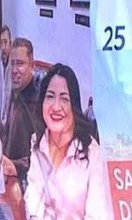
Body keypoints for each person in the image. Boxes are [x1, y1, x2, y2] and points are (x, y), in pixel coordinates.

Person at [25, 64, 108, 220]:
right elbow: (33, 201)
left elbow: (98, 214)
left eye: (64, 99)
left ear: (74, 106)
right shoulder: (38, 143)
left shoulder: (92, 153)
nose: (56, 107)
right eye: (50, 96)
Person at [0, 37, 42, 186]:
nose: (14, 70)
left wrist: (16, 167)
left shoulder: (37, 102)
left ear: (32, 66)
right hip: (6, 172)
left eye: (20, 64)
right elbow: (14, 133)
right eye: (12, 64)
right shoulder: (17, 92)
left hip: (24, 183)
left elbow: (43, 156)